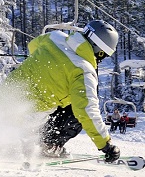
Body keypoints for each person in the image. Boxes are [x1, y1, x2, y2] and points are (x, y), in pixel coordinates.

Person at [6, 20, 121, 162]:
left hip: (4, 97)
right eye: (103, 56)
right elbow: (87, 111)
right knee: (76, 111)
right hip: (26, 117)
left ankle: (15, 140)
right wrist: (106, 145)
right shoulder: (83, 71)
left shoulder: (54, 37)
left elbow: (32, 46)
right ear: (99, 51)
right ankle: (47, 145)